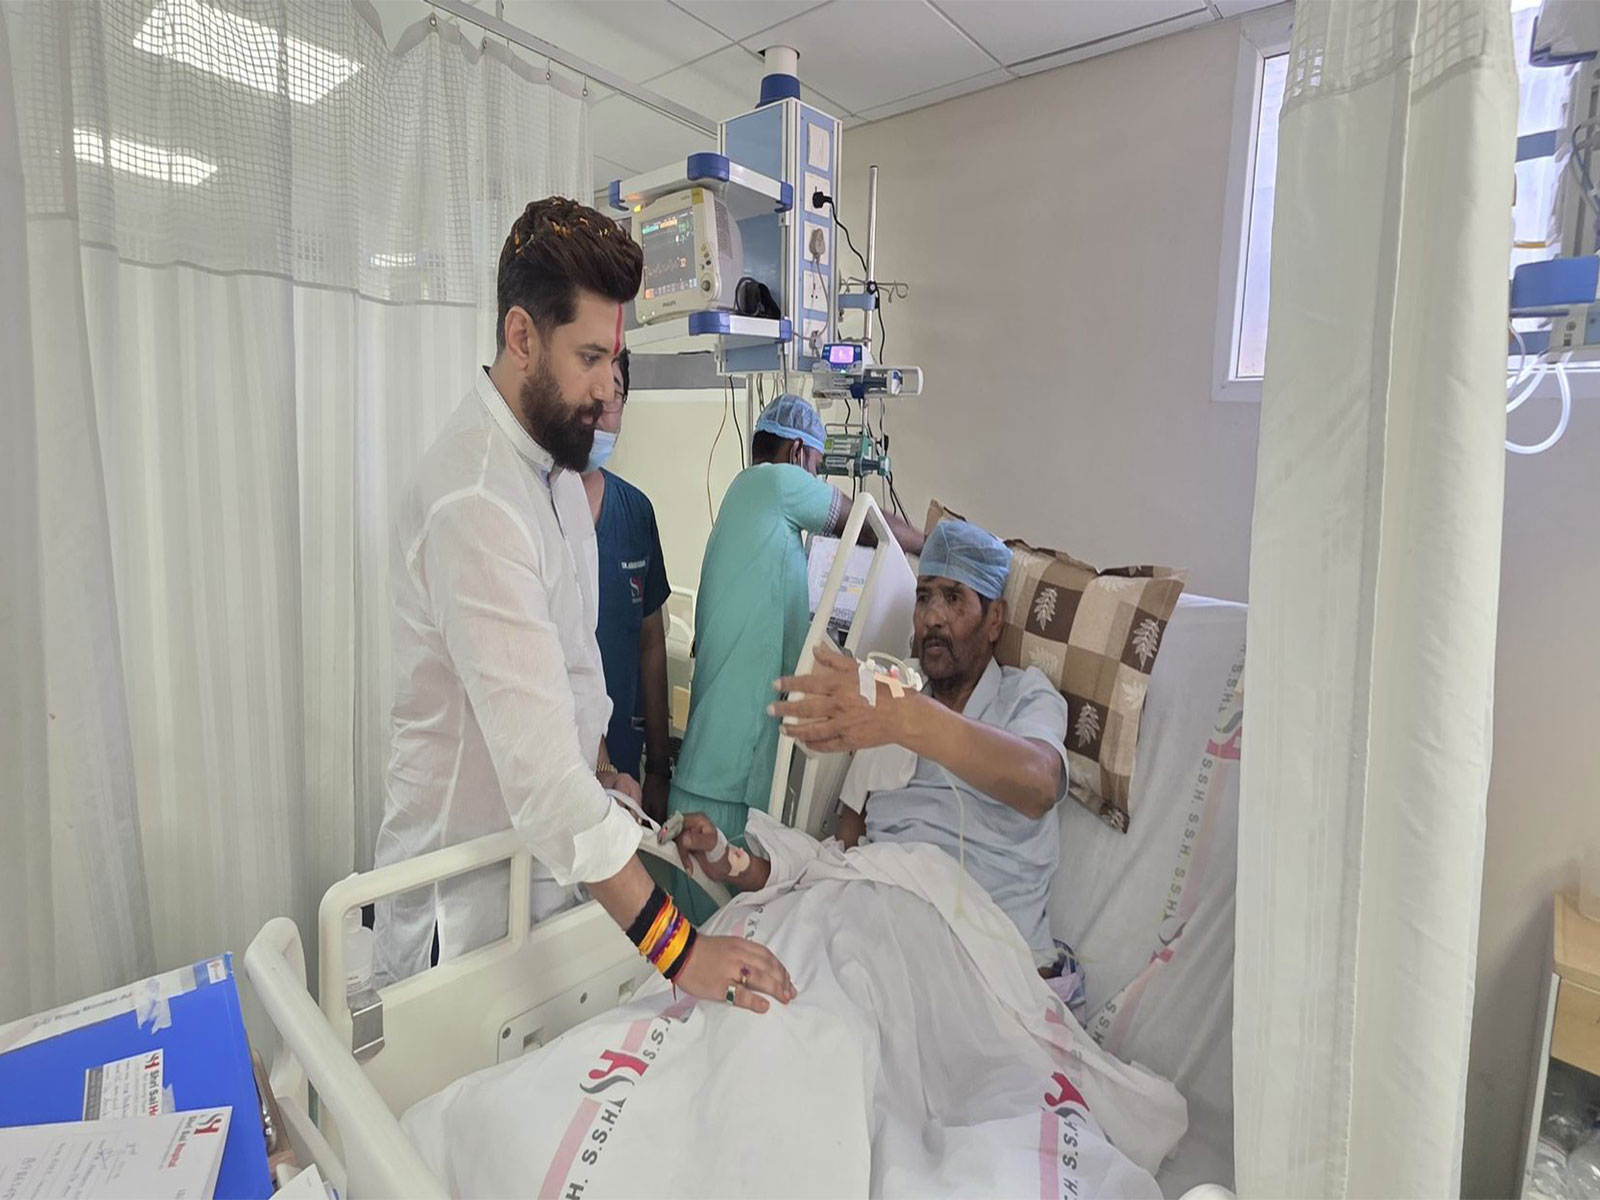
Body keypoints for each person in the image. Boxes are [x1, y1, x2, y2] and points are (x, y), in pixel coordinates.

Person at [372, 196, 793, 1013]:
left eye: (617, 359)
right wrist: (684, 949)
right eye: (590, 357)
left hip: (542, 888)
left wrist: (608, 769)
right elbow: (539, 779)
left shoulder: (554, 473)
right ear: (522, 336)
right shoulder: (475, 500)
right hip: (461, 913)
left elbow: (571, 667)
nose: (608, 390)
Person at [675, 519, 1072, 971]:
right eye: (924, 596)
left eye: (954, 597)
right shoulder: (894, 693)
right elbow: (846, 855)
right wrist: (741, 865)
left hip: (970, 949)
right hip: (872, 916)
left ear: (995, 619)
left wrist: (907, 718)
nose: (933, 617)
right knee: (732, 976)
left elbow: (1039, 785)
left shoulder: (1025, 696)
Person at [666, 394, 926, 920]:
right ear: (797, 452)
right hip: (719, 784)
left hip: (732, 778)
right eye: (815, 463)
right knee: (709, 945)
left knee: (726, 940)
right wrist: (933, 540)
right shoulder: (768, 483)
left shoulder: (765, 527)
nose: (814, 476)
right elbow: (863, 521)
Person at [582, 348, 672, 822]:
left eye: (613, 394)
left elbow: (652, 643)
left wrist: (658, 767)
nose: (600, 409)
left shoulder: (635, 514)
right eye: (590, 392)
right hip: (558, 765)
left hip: (624, 774)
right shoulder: (535, 511)